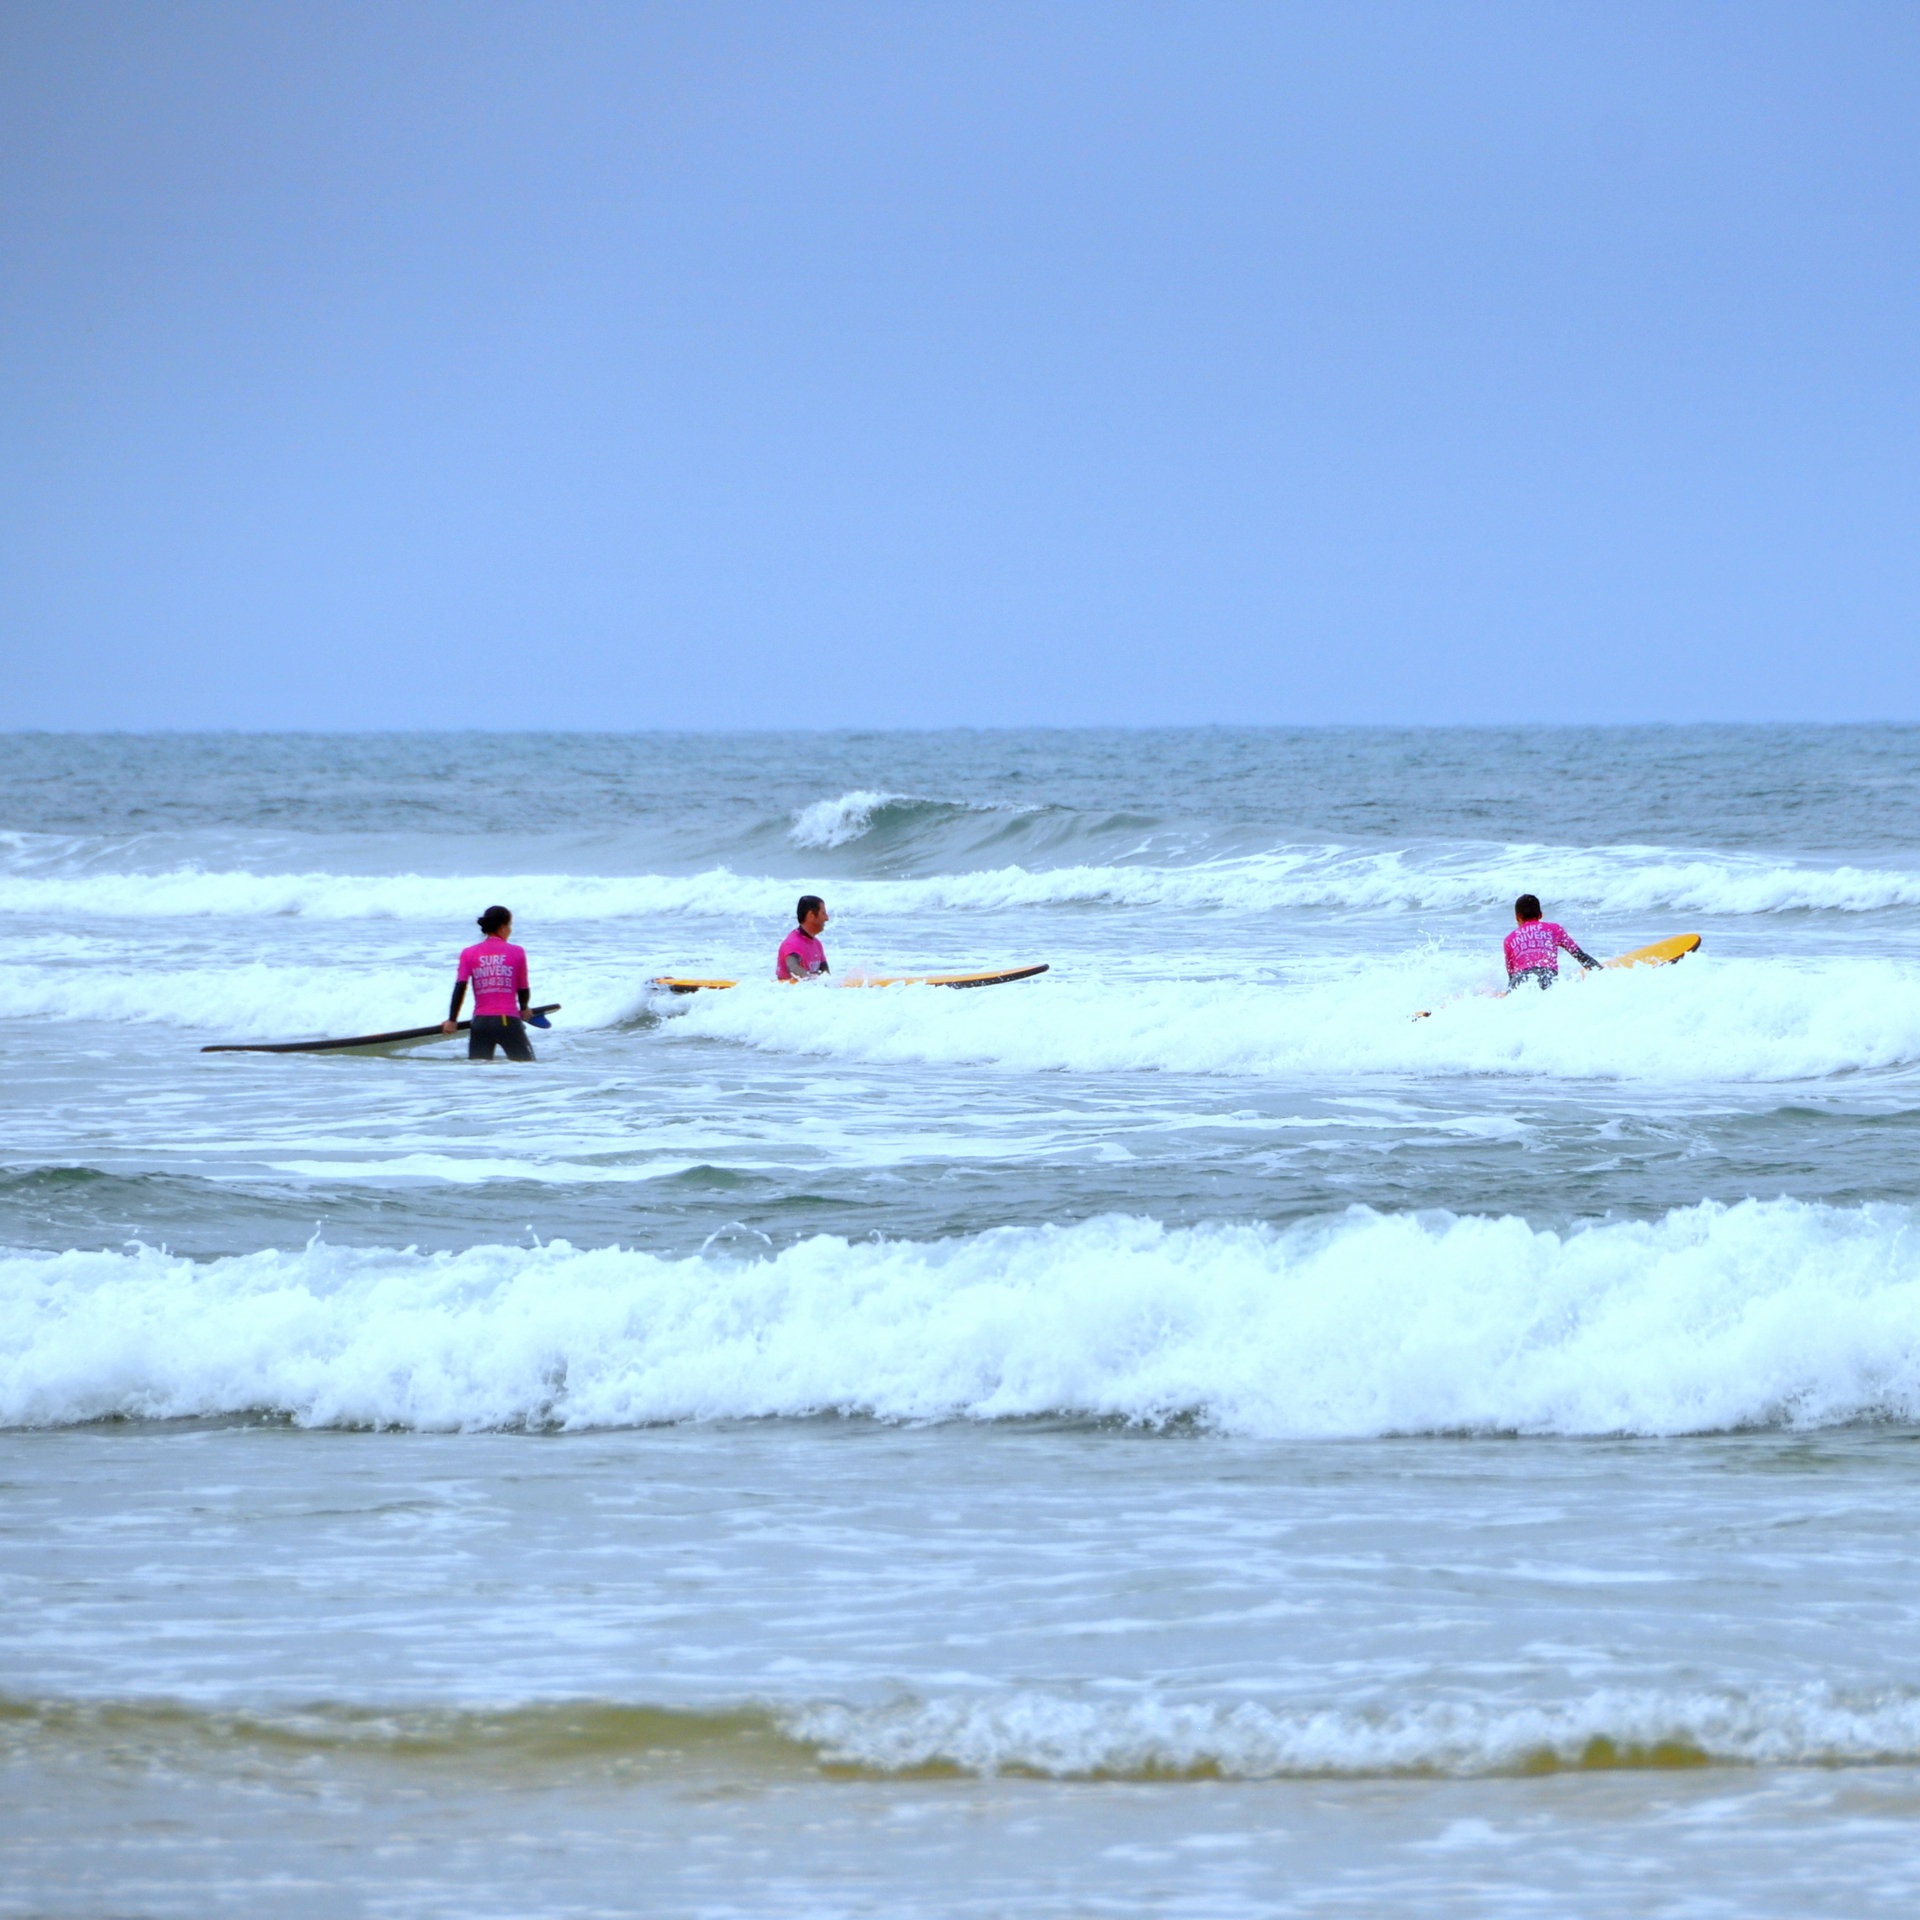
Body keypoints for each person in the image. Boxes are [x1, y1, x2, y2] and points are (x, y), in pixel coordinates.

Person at [444, 906, 536, 1060]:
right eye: (510, 926)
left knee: (479, 1074)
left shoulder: (468, 953)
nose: (510, 930)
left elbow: (460, 986)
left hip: (481, 1023)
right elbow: (523, 987)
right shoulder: (517, 951)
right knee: (527, 1069)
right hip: (508, 1021)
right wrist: (525, 1008)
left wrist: (452, 1020)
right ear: (502, 927)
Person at [1504, 894, 1600, 990]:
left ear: (1517, 917)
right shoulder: (1554, 929)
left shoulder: (1509, 939)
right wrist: (1602, 972)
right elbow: (1579, 955)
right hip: (1546, 975)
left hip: (1521, 979)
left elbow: (1511, 975)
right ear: (1540, 915)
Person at [776, 895, 831, 981]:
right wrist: (811, 980)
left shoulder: (817, 944)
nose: (827, 918)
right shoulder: (792, 944)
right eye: (823, 913)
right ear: (811, 915)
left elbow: (826, 976)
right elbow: (793, 968)